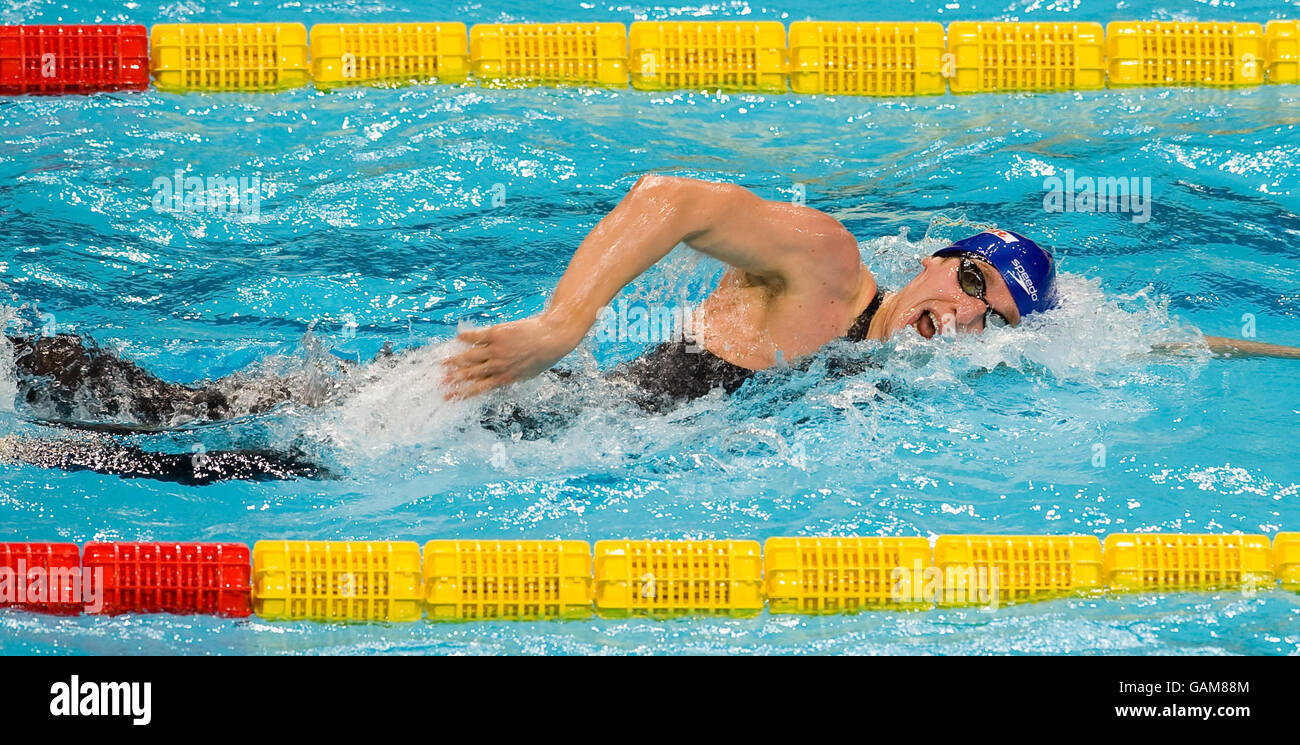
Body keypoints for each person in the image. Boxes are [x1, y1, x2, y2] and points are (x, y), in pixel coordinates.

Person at [3, 177, 1297, 482]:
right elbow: (671, 197)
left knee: (199, 444)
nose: (964, 325)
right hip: (491, 398)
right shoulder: (833, 269)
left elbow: (1130, 345)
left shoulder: (887, 344)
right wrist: (563, 323)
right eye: (969, 293)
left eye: (993, 324)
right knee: (185, 426)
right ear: (935, 262)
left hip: (512, 428)